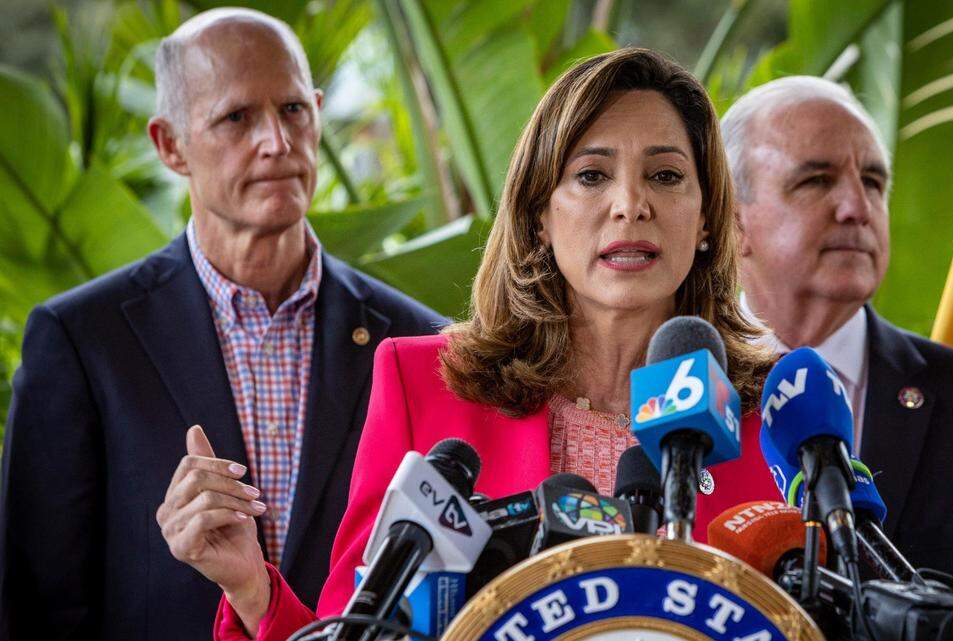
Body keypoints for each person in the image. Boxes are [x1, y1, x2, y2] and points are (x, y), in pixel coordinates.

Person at [156, 48, 785, 639]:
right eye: (591, 175)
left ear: (706, 217)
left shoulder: (774, 418)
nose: (630, 204)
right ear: (539, 215)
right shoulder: (422, 384)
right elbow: (361, 627)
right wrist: (248, 586)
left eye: (666, 175)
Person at [0, 9, 445, 640]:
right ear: (170, 145)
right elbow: (37, 606)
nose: (277, 142)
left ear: (318, 112)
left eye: (293, 110)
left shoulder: (413, 341)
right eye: (237, 117)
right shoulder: (83, 342)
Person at [721, 76, 953, 639]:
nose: (858, 207)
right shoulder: (667, 397)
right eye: (816, 180)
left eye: (874, 181)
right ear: (733, 224)